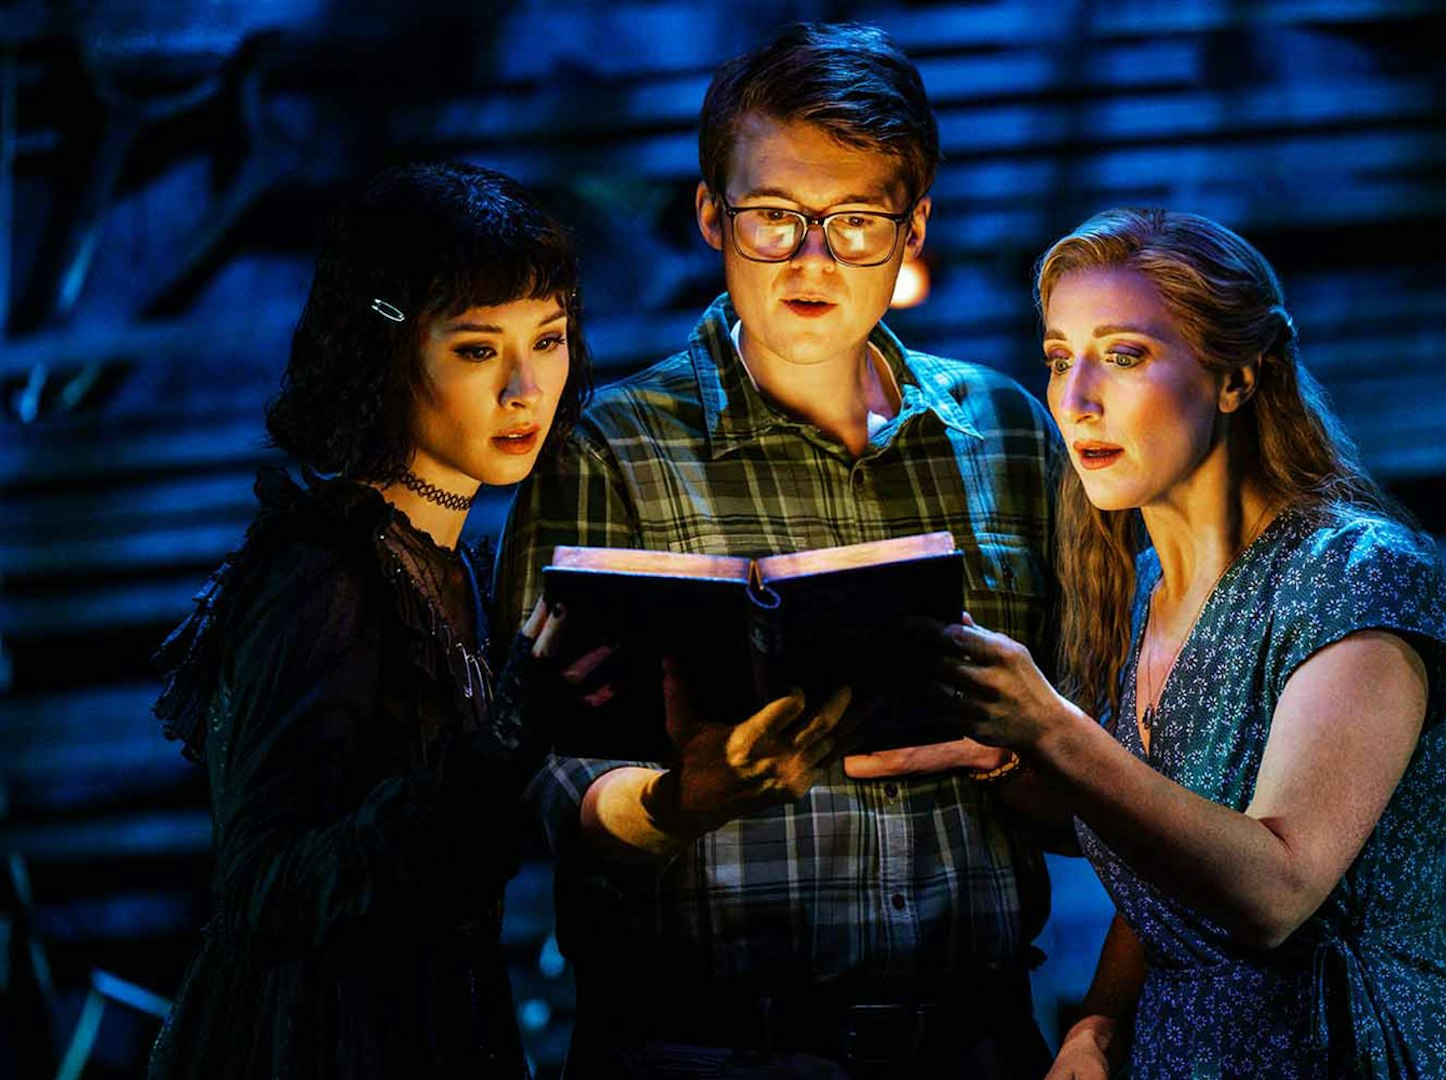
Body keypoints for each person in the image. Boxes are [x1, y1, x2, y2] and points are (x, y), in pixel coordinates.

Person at [496, 22, 1066, 1079]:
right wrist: (679, 802)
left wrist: (1019, 753)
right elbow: (529, 770)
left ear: (913, 230)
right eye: (774, 218)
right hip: (708, 1050)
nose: (813, 259)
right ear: (712, 214)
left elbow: (1097, 767)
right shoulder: (605, 448)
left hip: (976, 1041)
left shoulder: (1012, 432)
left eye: (855, 221)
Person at [909, 207, 1446, 1077]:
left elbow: (1275, 890)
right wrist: (1101, 1019)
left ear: (1235, 379)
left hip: (1346, 1052)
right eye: (1058, 359)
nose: (1076, 400)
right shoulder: (1142, 589)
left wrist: (1052, 727)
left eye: (1123, 356)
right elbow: (1169, 871)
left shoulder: (1353, 570)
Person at [147, 161, 597, 1079]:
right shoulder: (328, 572)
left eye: (547, 340)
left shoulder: (452, 568)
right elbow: (267, 887)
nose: (525, 388)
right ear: (389, 348)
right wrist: (505, 742)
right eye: (478, 350)